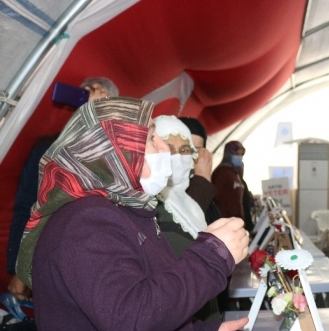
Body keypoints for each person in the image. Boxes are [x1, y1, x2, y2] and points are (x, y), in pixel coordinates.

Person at [15, 97, 250, 330]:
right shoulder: (86, 221)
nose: (163, 148)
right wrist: (212, 256)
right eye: (149, 138)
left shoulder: (123, 211)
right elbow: (131, 318)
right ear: (113, 150)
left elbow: (148, 301)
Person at [6, 77, 118, 301]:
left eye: (102, 98)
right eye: (86, 94)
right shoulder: (44, 146)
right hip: (36, 257)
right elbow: (26, 206)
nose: (92, 101)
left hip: (76, 270)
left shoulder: (116, 158)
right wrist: (18, 266)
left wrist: (97, 121)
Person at [154, 115, 208, 257]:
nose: (177, 158)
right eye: (169, 150)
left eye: (184, 150)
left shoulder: (190, 204)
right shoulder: (149, 204)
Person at [179, 117, 224, 223]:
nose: (190, 156)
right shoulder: (163, 186)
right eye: (185, 149)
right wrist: (202, 180)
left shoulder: (198, 183)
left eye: (197, 150)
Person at [211, 141, 254, 232]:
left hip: (237, 222)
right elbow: (215, 198)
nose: (239, 157)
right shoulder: (221, 173)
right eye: (237, 154)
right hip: (225, 223)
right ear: (229, 154)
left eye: (241, 154)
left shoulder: (236, 173)